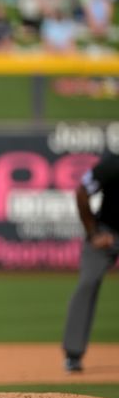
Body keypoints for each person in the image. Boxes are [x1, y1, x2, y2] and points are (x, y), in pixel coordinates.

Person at [62, 152, 119, 372]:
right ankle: (73, 354)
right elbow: (82, 191)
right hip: (106, 232)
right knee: (87, 282)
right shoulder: (113, 165)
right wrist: (93, 232)